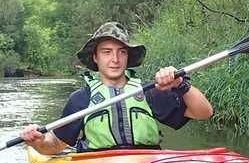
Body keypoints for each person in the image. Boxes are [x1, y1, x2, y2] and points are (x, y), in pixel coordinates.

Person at [20, 22, 213, 154]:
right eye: (107, 52)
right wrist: (37, 142)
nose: (115, 60)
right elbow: (54, 145)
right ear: (95, 57)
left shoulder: (148, 92)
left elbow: (204, 112)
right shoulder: (81, 99)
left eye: (121, 52)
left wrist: (181, 85)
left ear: (128, 57)